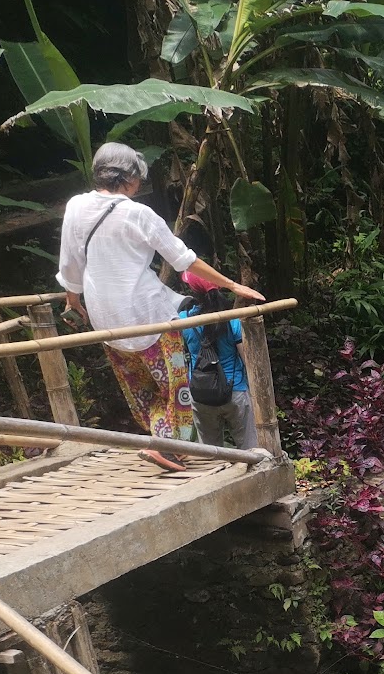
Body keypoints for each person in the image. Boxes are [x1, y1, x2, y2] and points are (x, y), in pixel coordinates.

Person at [56, 142, 263, 466]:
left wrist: (73, 300)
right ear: (129, 178)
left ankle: (163, 443)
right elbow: (184, 260)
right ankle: (168, 447)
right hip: (148, 315)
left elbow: (70, 264)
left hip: (105, 320)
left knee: (142, 392)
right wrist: (233, 284)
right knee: (177, 387)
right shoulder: (137, 213)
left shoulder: (76, 207)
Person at [178, 272, 255, 449]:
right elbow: (248, 360)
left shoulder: (183, 320)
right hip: (234, 391)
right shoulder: (231, 320)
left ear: (193, 291)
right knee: (251, 449)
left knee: (209, 453)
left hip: (200, 393)